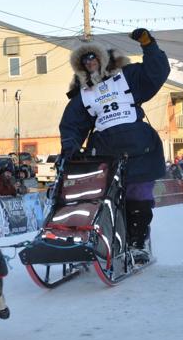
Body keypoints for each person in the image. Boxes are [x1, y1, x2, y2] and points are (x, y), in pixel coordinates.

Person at [59, 28, 170, 263]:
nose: (90, 63)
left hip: (139, 148)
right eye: (85, 60)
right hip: (105, 152)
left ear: (103, 59)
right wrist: (70, 148)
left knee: (137, 198)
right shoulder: (83, 95)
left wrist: (149, 45)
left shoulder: (126, 76)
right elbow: (72, 125)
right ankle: (99, 241)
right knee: (99, 201)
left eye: (93, 57)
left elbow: (157, 72)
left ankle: (138, 242)